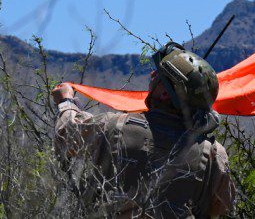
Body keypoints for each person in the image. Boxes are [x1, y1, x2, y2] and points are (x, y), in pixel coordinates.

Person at [52, 42, 235, 218]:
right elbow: (221, 208)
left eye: (158, 76)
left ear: (165, 93)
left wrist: (66, 102)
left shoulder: (115, 125)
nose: (152, 74)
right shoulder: (214, 153)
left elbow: (66, 134)